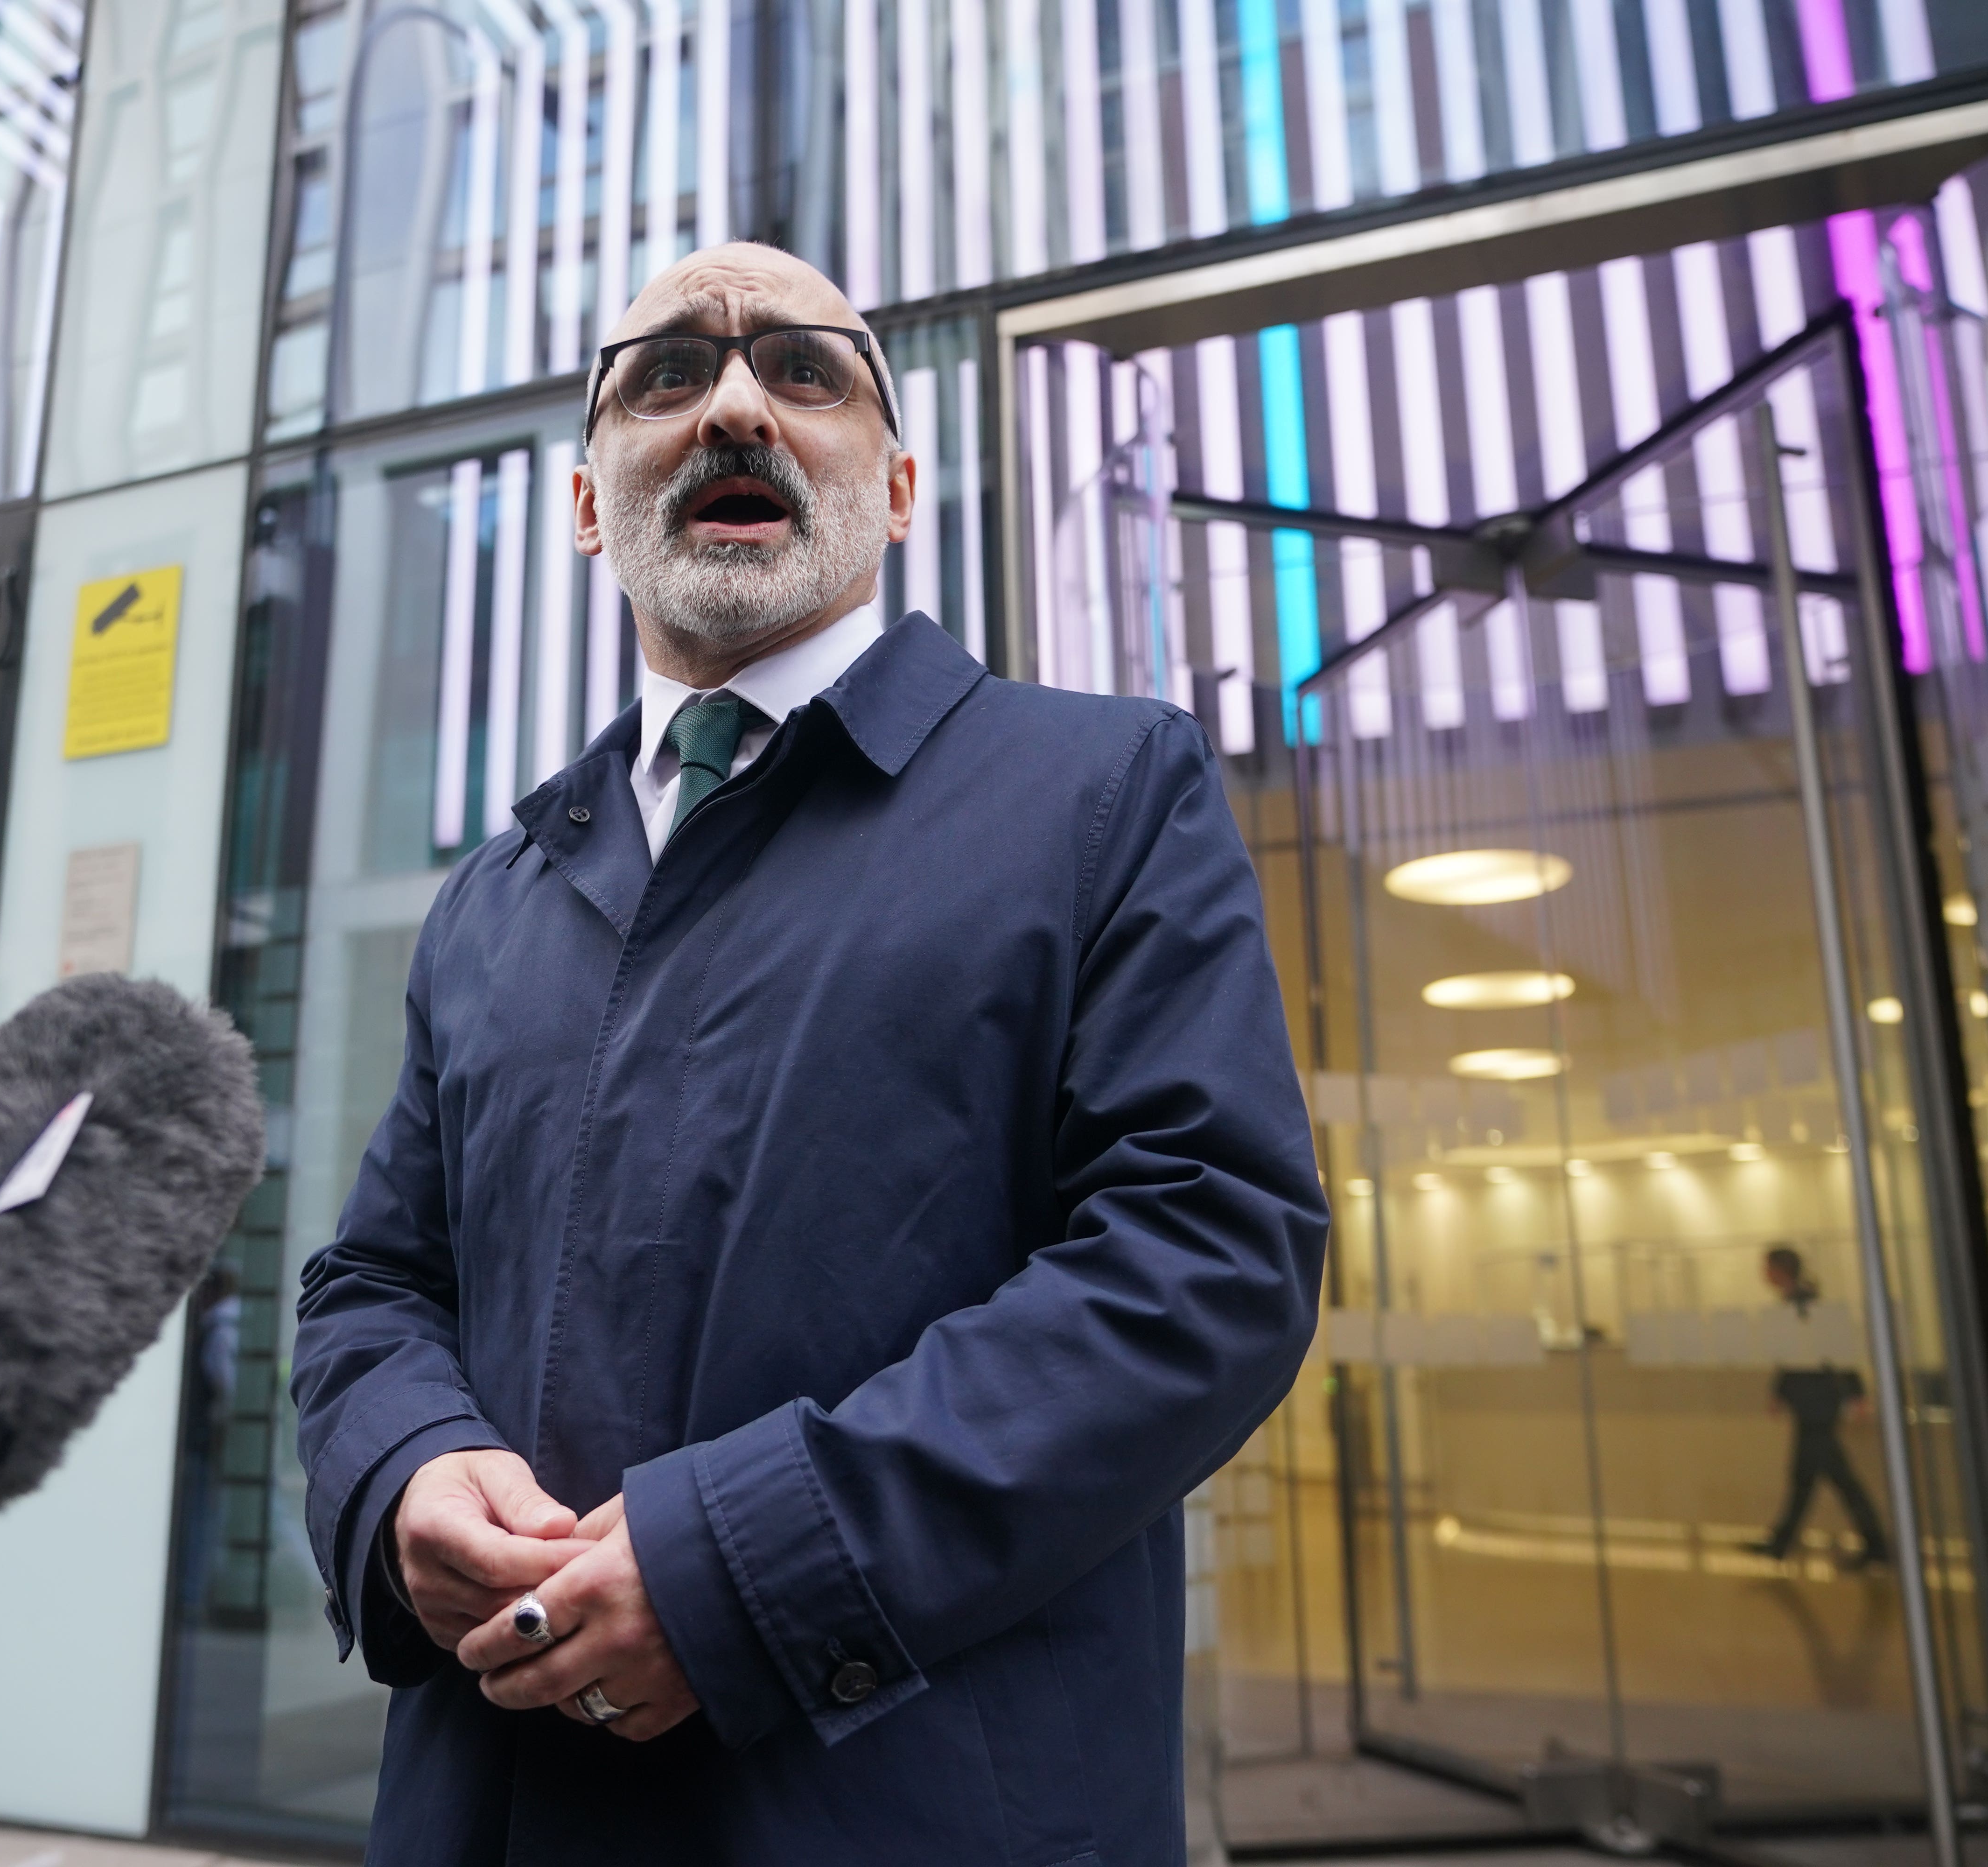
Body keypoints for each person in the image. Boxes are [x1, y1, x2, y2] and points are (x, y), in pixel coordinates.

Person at [291, 241, 1328, 1862]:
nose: (733, 407)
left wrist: (736, 1575)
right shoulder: (495, 895)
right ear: (585, 506)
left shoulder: (1106, 793)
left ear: (898, 486)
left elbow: (1207, 1259)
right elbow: (371, 1287)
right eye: (663, 379)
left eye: (805, 371)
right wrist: (405, 1474)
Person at [1750, 1243, 1892, 1568]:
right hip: (1813, 1402)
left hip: (1817, 1403)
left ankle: (1874, 1546)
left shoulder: (1805, 1305)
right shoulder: (1798, 1303)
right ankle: (1781, 1542)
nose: (1763, 1274)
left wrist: (1856, 1394)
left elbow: (1828, 1350)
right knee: (1812, 1476)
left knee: (1831, 1478)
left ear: (1779, 1269)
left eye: (1767, 1267)